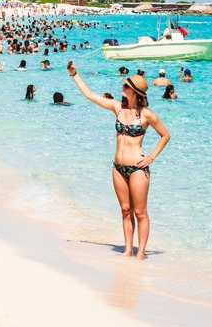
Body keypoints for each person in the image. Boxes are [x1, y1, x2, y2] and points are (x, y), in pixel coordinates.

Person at [68, 61, 171, 260]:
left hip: (137, 169)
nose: (122, 88)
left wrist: (151, 157)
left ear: (134, 92)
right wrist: (74, 75)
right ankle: (127, 250)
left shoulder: (147, 115)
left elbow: (165, 135)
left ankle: (140, 253)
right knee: (125, 211)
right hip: (118, 168)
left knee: (140, 213)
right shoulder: (117, 108)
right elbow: (90, 96)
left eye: (125, 86)